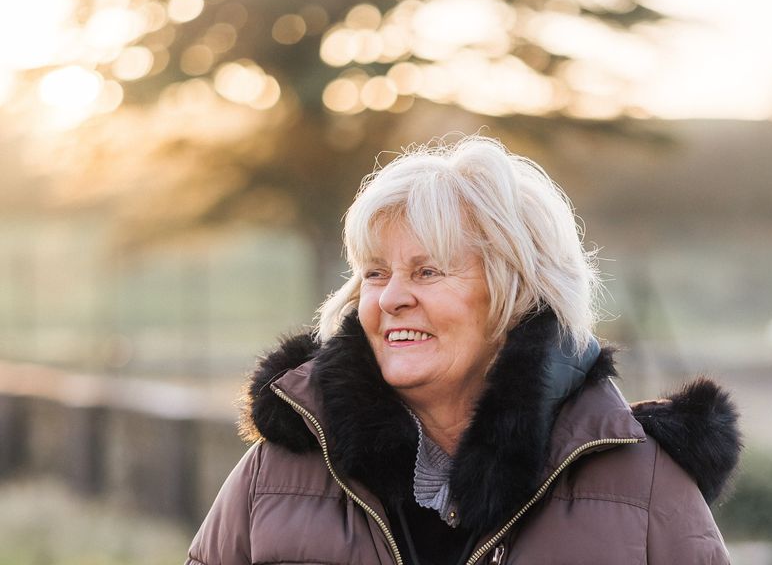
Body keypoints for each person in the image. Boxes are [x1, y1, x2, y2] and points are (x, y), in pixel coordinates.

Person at [186, 136, 741, 565]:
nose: (392, 298)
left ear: (517, 294)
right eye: (375, 273)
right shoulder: (282, 467)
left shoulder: (642, 484)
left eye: (427, 271)